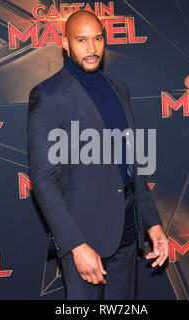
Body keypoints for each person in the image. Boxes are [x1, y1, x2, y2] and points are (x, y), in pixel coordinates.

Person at [28, 10, 168, 300]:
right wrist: (75, 245)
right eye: (81, 40)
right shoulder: (49, 95)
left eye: (97, 39)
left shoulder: (119, 89)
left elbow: (132, 163)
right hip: (83, 233)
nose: (91, 49)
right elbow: (43, 180)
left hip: (126, 231)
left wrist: (152, 223)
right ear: (66, 44)